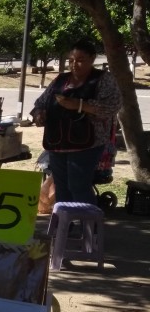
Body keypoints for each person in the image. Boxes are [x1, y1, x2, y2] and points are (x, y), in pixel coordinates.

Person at [31, 39, 122, 205]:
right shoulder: (60, 80)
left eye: (80, 60)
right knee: (61, 186)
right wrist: (39, 114)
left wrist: (80, 105)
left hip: (88, 142)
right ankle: (65, 226)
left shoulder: (103, 79)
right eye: (71, 60)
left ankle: (89, 226)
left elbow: (112, 106)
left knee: (78, 185)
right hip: (57, 141)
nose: (74, 65)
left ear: (93, 58)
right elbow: (40, 103)